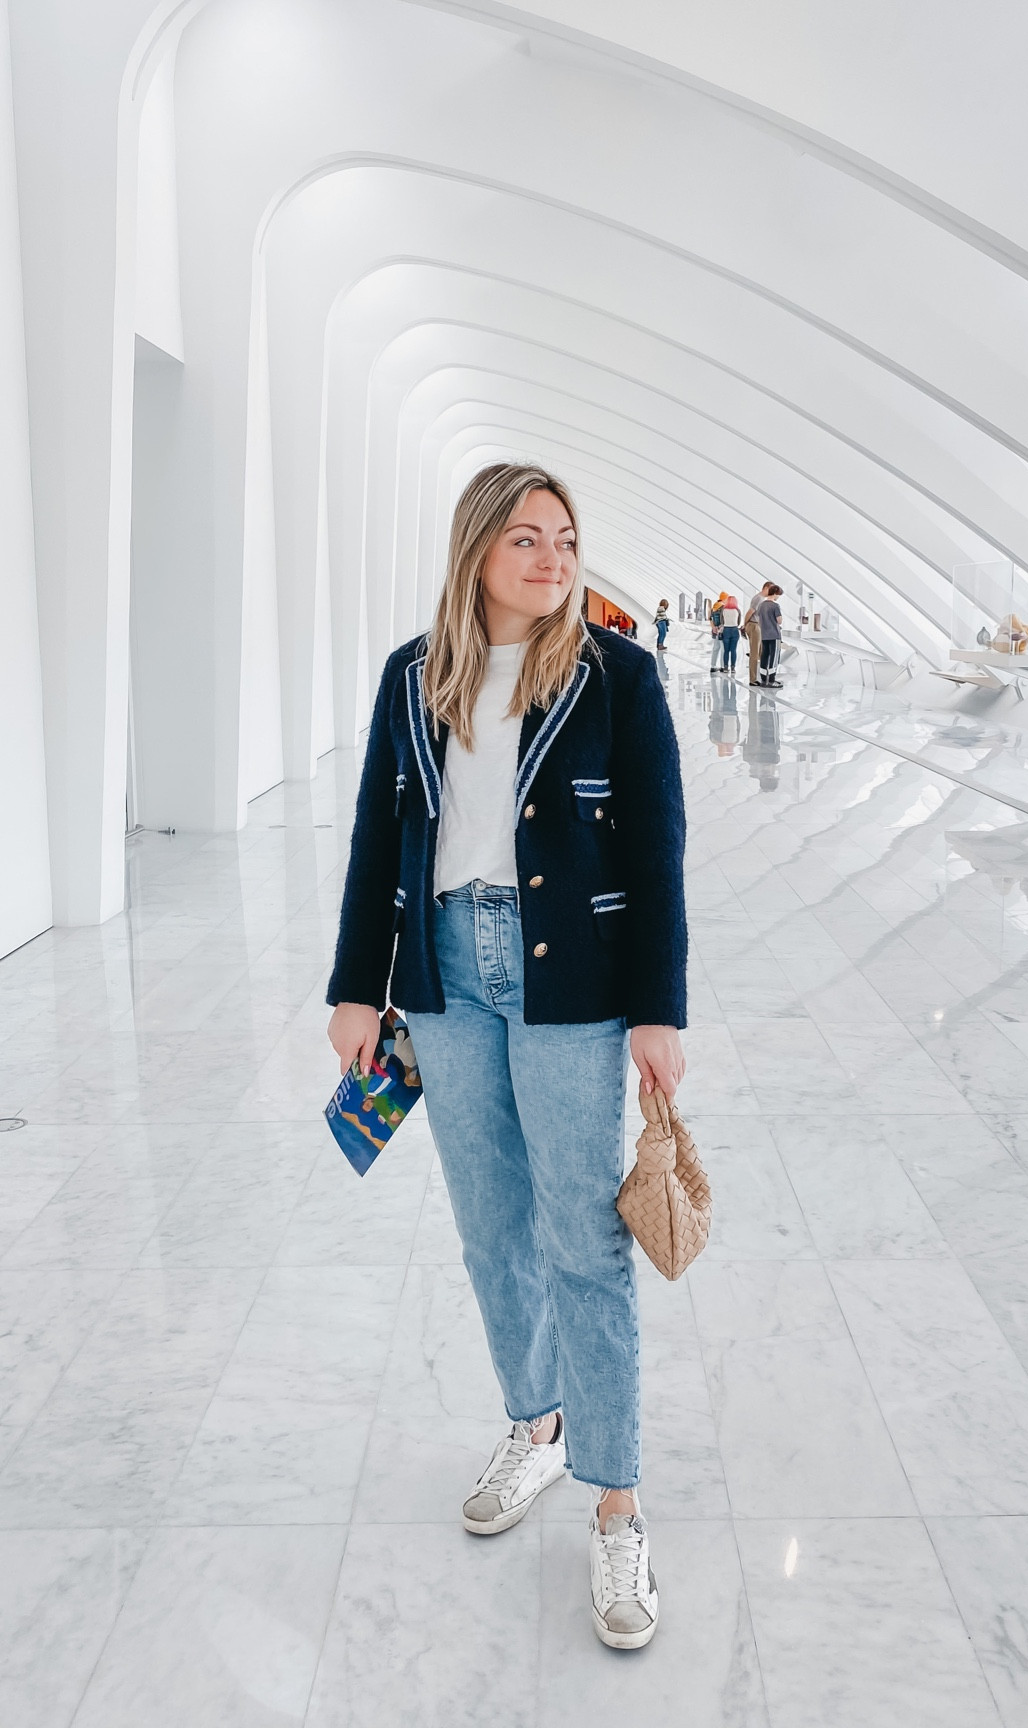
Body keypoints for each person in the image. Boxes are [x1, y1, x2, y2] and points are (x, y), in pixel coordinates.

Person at [326, 462, 687, 1651]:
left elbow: (658, 852)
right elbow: (381, 834)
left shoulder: (616, 677)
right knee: (491, 1227)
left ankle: (618, 1503)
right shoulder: (412, 676)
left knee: (585, 1238)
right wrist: (356, 989)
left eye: (567, 538)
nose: (552, 557)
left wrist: (657, 1012)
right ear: (476, 549)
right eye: (526, 537)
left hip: (570, 981)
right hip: (443, 975)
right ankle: (535, 1426)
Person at [754, 583, 784, 686]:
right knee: (774, 657)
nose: (778, 597)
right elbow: (779, 621)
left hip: (764, 634)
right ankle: (771, 680)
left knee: (764, 656)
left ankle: (763, 679)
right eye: (778, 595)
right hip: (774, 635)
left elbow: (758, 619)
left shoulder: (761, 605)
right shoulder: (775, 606)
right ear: (775, 593)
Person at [742, 593, 762, 687]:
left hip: (756, 626)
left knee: (758, 653)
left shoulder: (761, 598)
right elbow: (750, 612)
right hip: (754, 625)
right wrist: (745, 625)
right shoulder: (758, 598)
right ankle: (753, 679)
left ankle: (758, 677)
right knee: (754, 653)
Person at [720, 594, 741, 673]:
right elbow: (738, 622)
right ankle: (733, 668)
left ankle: (725, 667)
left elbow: (722, 621)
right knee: (733, 650)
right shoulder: (737, 610)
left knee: (726, 650)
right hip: (735, 630)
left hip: (726, 630)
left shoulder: (723, 609)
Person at [709, 595, 726, 671]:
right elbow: (723, 620)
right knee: (723, 648)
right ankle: (722, 666)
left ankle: (713, 666)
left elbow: (710, 619)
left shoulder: (714, 607)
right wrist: (720, 628)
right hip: (721, 631)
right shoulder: (723, 607)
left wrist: (713, 627)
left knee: (715, 648)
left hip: (715, 631)